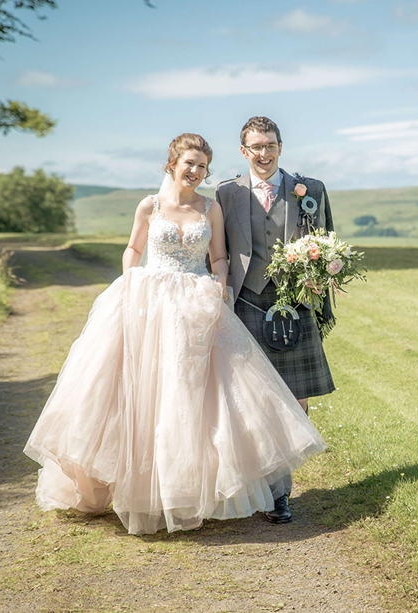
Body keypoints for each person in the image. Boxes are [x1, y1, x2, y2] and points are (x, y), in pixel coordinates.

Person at [23, 133, 327, 535]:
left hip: (197, 300)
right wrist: (131, 280)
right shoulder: (149, 205)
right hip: (151, 300)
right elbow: (133, 250)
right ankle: (141, 488)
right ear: (172, 163)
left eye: (202, 167)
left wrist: (220, 283)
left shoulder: (211, 207)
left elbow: (219, 255)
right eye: (190, 164)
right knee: (144, 392)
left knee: (199, 395)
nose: (196, 172)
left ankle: (195, 489)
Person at [215, 116, 335, 524]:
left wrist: (319, 286)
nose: (263, 154)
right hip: (247, 303)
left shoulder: (310, 189)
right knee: (254, 403)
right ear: (243, 151)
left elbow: (326, 241)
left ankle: (279, 485)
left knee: (295, 403)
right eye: (255, 147)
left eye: (270, 145)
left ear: (280, 147)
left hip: (296, 304)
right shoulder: (226, 193)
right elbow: (215, 253)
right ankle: (272, 493)